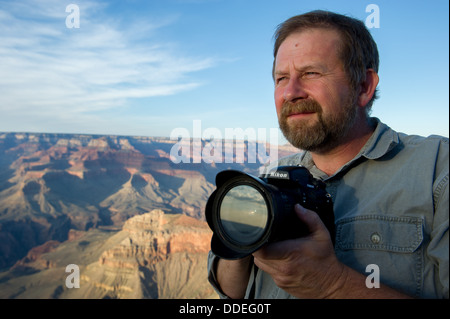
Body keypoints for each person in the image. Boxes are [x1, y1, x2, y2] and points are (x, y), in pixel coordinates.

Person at [207, 10, 449, 299]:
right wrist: (243, 234)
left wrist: (333, 284)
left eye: (311, 73)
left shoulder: (437, 170)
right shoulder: (270, 179)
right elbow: (230, 294)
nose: (290, 92)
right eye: (281, 78)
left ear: (363, 86)